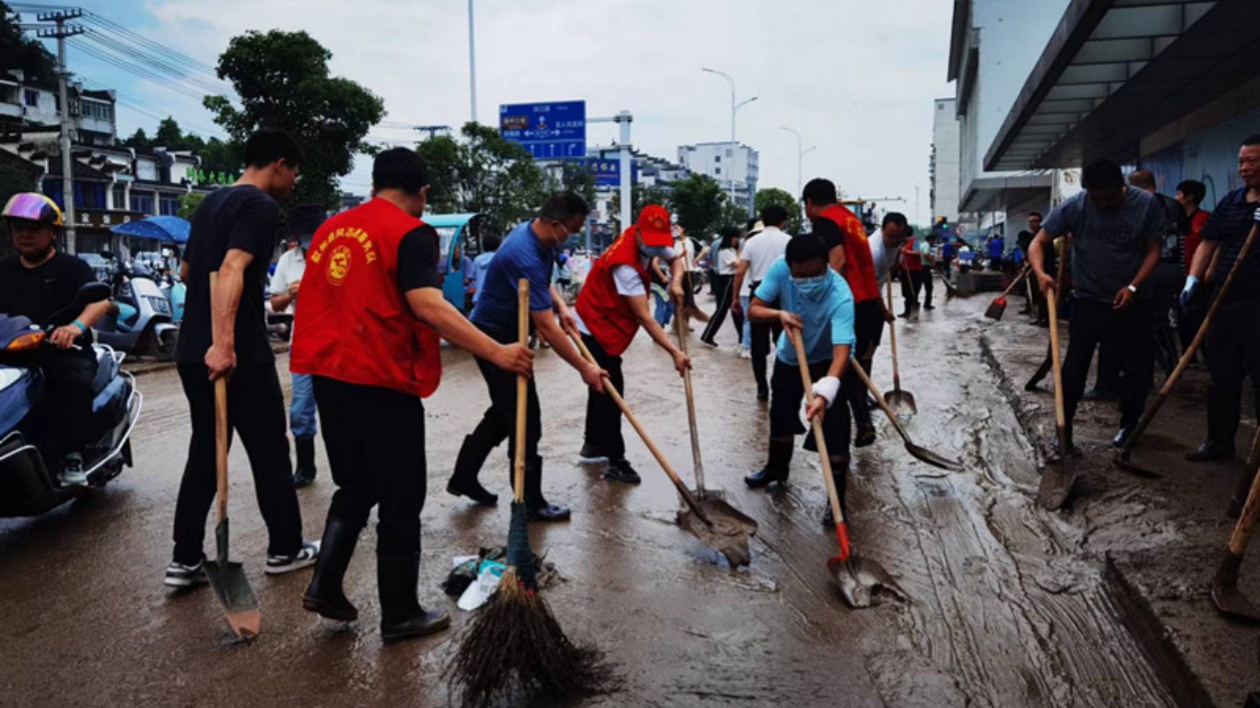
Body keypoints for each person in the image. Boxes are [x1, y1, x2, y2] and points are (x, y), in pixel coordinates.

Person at [291, 148, 533, 641]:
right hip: (379, 377)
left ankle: (325, 583)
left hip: (328, 375)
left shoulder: (332, 230)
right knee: (401, 496)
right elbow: (428, 305)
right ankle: (400, 614)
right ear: (421, 192)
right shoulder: (409, 232)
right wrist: (497, 352)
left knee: (356, 485)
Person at [167, 129, 320, 587]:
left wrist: (210, 341)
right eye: (293, 172)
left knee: (206, 451)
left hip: (192, 350)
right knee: (269, 448)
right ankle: (286, 548)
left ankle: (185, 559)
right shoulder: (259, 206)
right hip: (238, 351)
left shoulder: (210, 204)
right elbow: (231, 268)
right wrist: (226, 342)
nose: (292, 182)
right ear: (280, 164)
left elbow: (189, 271)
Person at [451, 193, 606, 519]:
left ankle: (464, 475)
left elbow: (541, 282)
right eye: (574, 228)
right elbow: (547, 331)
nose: (574, 235)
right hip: (494, 336)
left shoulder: (538, 236)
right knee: (526, 419)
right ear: (555, 224)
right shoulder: (523, 252)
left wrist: (561, 305)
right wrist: (585, 368)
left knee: (506, 413)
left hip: (511, 331)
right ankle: (530, 502)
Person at [1030, 159, 1163, 451]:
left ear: (1122, 186)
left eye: (1109, 197)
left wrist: (1133, 285)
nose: (1102, 203)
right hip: (1088, 299)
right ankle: (1063, 430)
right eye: (1096, 197)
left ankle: (1128, 425)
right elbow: (1038, 242)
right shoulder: (1075, 206)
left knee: (1135, 369)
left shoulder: (1146, 205)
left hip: (1133, 301)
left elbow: (1154, 250)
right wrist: (1041, 274)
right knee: (1074, 367)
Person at [573, 205, 691, 483]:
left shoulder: (650, 242)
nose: (655, 248)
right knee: (612, 392)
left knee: (600, 387)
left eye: (659, 243)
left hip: (607, 317)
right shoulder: (624, 264)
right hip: (593, 324)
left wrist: (676, 283)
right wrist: (674, 351)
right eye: (651, 243)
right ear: (638, 233)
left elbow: (676, 260)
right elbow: (644, 317)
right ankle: (617, 460)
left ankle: (593, 445)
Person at [744, 235, 855, 524]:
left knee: (834, 430)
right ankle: (776, 471)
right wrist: (779, 313)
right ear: (790, 267)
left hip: (829, 362)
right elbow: (753, 310)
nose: (807, 280)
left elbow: (842, 352)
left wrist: (825, 392)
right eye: (800, 275)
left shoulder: (841, 294)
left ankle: (836, 501)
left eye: (815, 273)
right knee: (780, 416)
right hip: (790, 358)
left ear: (826, 266)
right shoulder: (780, 269)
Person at [0, 193, 109, 486]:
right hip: (13, 352)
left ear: (53, 233)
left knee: (71, 382)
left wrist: (74, 327)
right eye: (17, 227)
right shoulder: (4, 269)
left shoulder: (72, 267)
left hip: (63, 351)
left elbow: (101, 302)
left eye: (33, 228)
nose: (24, 234)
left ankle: (72, 455)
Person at [1181, 136, 1260, 462]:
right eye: (1241, 161)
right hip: (1224, 301)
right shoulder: (1231, 202)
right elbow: (1208, 243)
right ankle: (1218, 442)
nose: (1244, 168)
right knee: (1222, 376)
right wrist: (1192, 281)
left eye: (1252, 162)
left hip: (1259, 306)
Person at [802, 178, 882, 447]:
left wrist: (820, 300)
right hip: (869, 303)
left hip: (851, 303)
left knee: (838, 368)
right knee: (851, 368)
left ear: (810, 203)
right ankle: (851, 427)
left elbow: (837, 261)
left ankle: (853, 428)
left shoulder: (825, 222)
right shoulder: (851, 219)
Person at [268, 203, 326, 488]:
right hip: (302, 342)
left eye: (312, 233)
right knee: (301, 408)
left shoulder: (335, 255)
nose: (308, 239)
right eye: (304, 234)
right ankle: (306, 467)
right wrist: (289, 295)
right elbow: (273, 303)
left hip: (335, 343)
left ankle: (352, 469)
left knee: (340, 407)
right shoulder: (289, 261)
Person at [732, 205, 793, 401]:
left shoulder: (751, 242)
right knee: (783, 342)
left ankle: (761, 387)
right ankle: (779, 383)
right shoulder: (789, 241)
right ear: (783, 221)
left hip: (758, 293)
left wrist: (735, 298)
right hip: (782, 294)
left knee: (758, 346)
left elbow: (740, 272)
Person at [1175, 180, 1210, 352]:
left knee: (1198, 315)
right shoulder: (1177, 220)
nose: (1177, 198)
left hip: (1198, 279)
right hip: (1180, 277)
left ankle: (1204, 351)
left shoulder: (1204, 219)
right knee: (1182, 317)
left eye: (1180, 194)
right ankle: (1188, 352)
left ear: (1190, 197)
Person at [699, 226, 742, 347]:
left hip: (729, 280)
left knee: (735, 310)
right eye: (734, 237)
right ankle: (707, 335)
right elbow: (736, 264)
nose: (736, 240)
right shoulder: (725, 251)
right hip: (726, 280)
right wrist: (741, 254)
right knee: (721, 309)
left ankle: (742, 337)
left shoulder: (731, 250)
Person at [470, 233, 500, 306]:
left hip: (478, 297)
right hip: (495, 298)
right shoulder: (498, 259)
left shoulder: (477, 260)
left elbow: (471, 277)